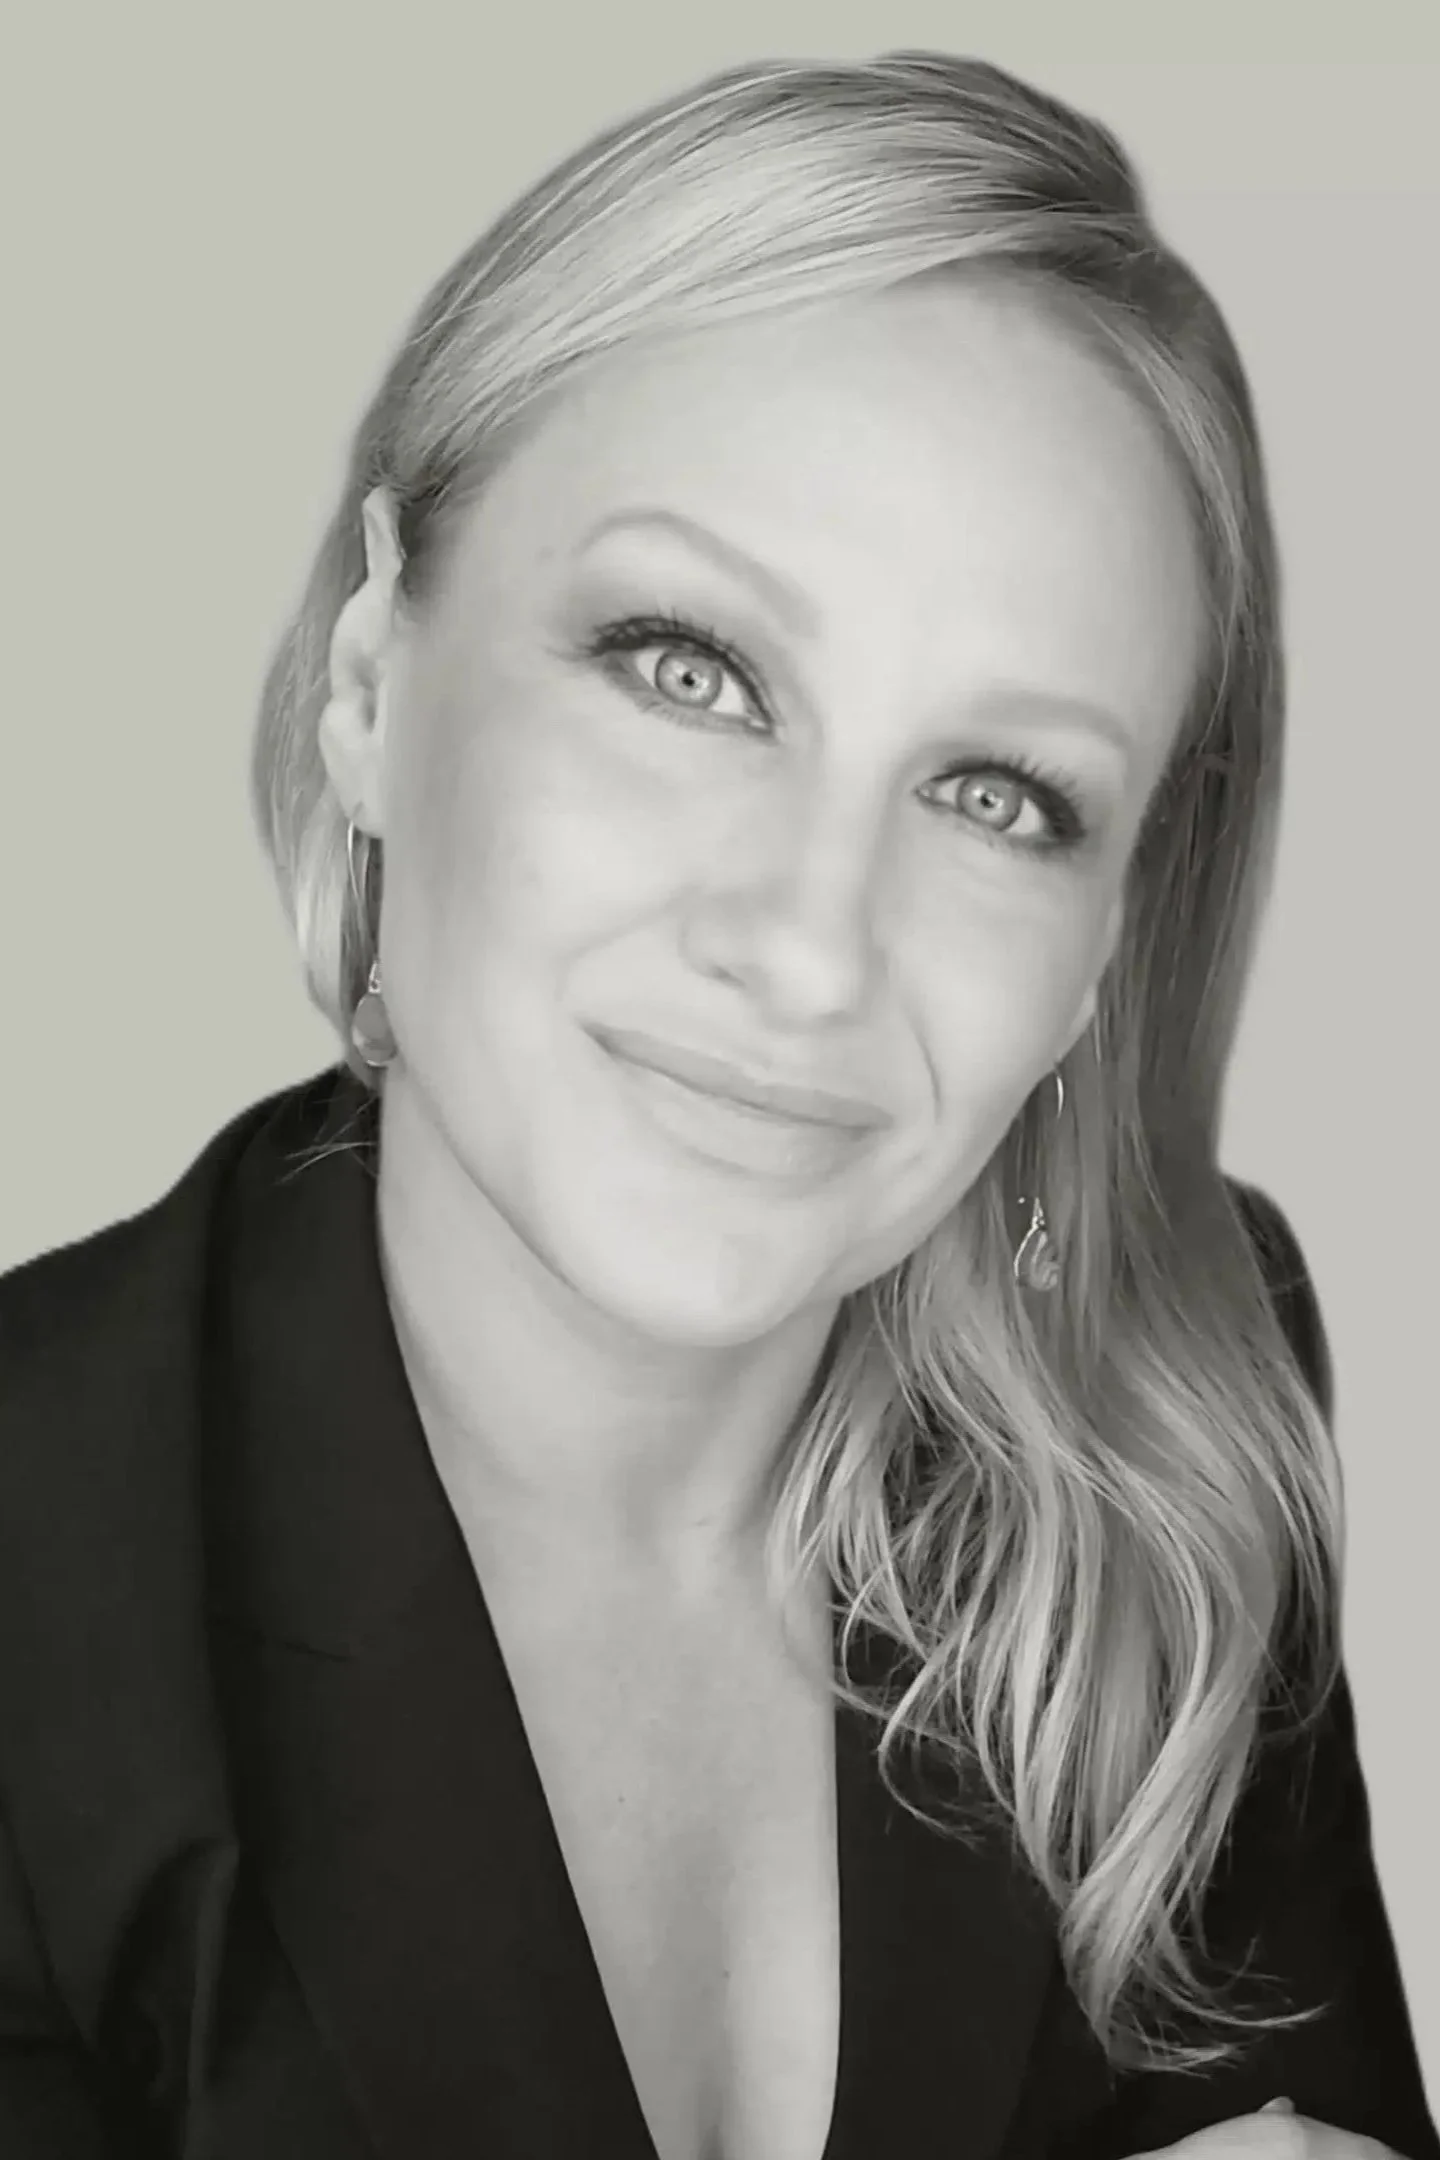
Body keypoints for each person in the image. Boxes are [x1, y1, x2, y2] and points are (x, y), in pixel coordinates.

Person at [0, 46, 1434, 2160]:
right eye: (690, 670)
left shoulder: (1170, 1395)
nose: (812, 942)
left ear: (1110, 937)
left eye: (999, 795)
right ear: (376, 682)